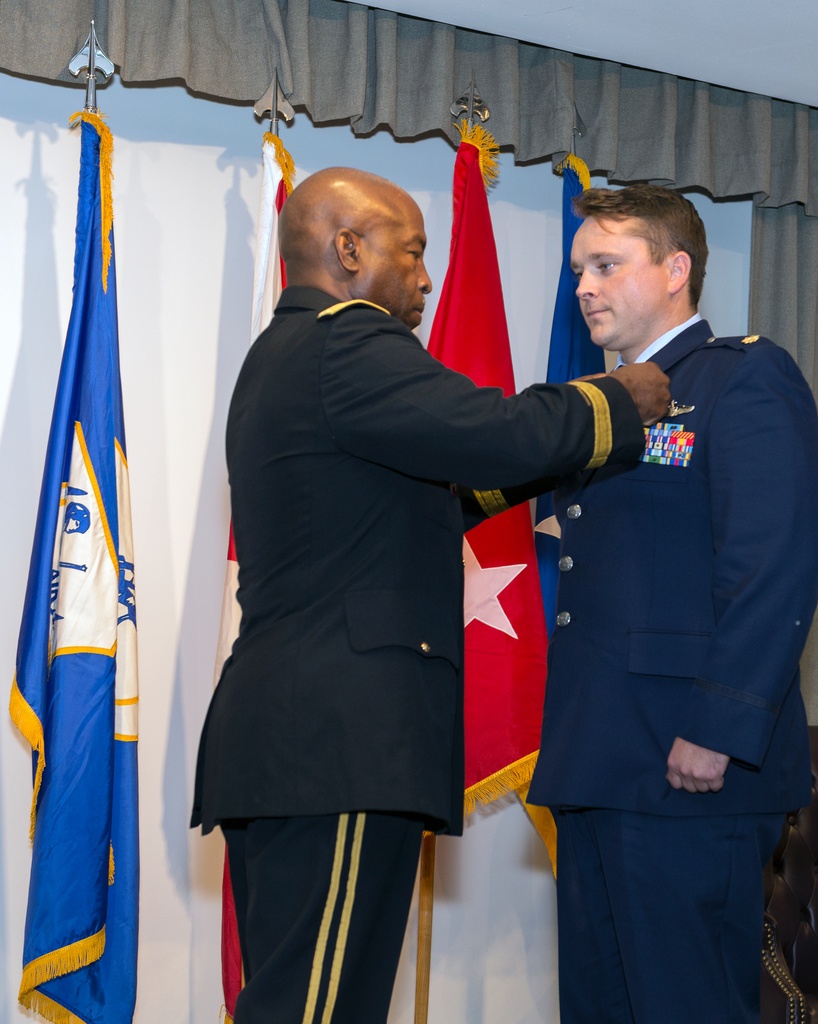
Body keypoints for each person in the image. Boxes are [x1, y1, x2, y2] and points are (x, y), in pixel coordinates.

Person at [190, 167, 673, 1024]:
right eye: (412, 253)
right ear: (347, 250)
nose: (425, 278)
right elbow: (491, 432)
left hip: (293, 743)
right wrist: (617, 402)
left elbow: (428, 499)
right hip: (337, 747)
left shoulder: (287, 358)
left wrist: (553, 465)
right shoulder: (348, 342)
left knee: (295, 1002)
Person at [527, 185, 818, 1023]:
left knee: (684, 1006)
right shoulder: (605, 405)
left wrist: (719, 726)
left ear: (675, 269)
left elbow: (774, 565)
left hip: (687, 765)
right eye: (578, 269)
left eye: (606, 265)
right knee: (600, 1009)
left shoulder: (742, 378)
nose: (583, 286)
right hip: (600, 760)